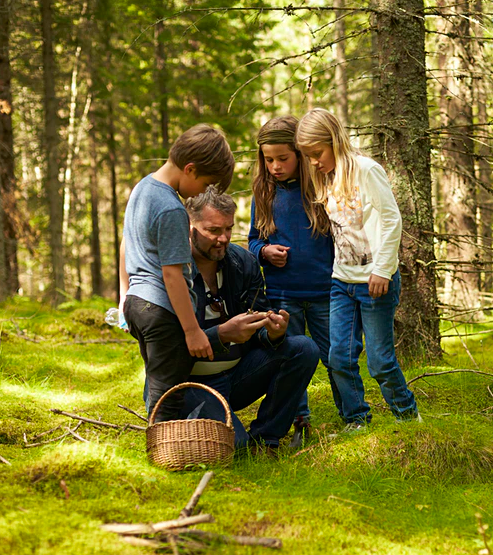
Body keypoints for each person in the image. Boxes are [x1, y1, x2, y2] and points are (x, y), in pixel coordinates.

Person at [295, 108, 420, 430]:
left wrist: (382, 270)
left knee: (380, 362)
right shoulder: (326, 177)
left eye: (317, 154)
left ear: (335, 141)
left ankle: (408, 418)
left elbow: (392, 219)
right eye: (307, 156)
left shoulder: (366, 170)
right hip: (342, 282)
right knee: (339, 357)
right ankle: (357, 420)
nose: (313, 162)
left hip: (375, 281)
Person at [180, 187, 319, 453]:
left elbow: (259, 328)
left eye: (228, 229)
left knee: (303, 348)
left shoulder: (242, 262)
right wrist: (221, 335)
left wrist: (274, 333)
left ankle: (267, 438)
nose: (223, 239)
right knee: (236, 448)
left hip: (237, 375)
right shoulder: (175, 271)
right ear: (190, 226)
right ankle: (239, 438)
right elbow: (165, 346)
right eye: (213, 230)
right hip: (189, 381)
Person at [119, 124, 234, 423]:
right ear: (190, 169)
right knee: (168, 394)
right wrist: (192, 330)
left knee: (159, 382)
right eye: (206, 183)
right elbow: (172, 276)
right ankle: (163, 454)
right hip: (161, 310)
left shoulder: (142, 188)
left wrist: (125, 295)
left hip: (138, 303)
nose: (203, 193)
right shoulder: (171, 209)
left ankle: (163, 444)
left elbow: (125, 244)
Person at [247, 116, 335, 447]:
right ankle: (300, 424)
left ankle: (352, 417)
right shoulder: (264, 192)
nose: (275, 166)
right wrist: (265, 251)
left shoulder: (321, 189)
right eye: (268, 160)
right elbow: (253, 240)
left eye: (282, 158)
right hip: (283, 294)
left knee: (335, 356)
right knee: (292, 358)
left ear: (299, 153)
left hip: (326, 291)